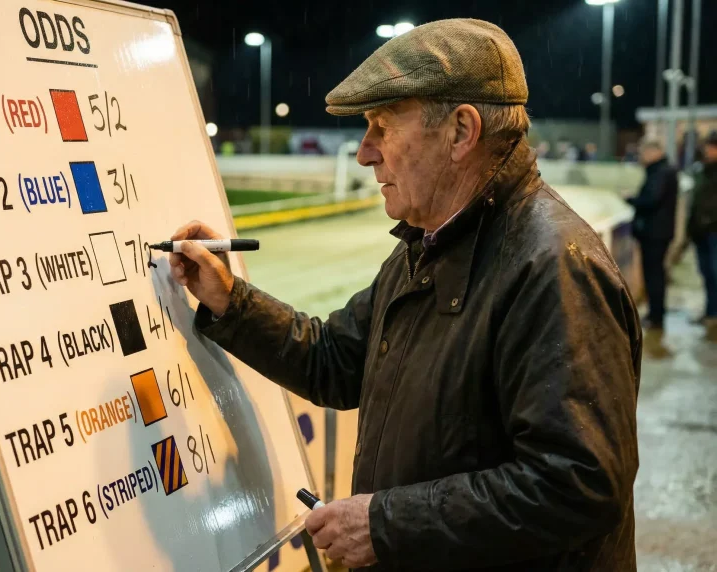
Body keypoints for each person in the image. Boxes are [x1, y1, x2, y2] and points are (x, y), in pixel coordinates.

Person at [169, 19, 640, 571]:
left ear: (461, 132)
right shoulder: (429, 245)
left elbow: (576, 484)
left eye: (381, 126)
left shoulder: (553, 267)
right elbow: (336, 360)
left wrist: (384, 524)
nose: (365, 153)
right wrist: (230, 299)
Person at [627, 139, 679, 342]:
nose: (641, 157)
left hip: (655, 233)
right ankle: (656, 314)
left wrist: (631, 200)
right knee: (655, 275)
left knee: (654, 276)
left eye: (643, 153)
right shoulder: (664, 170)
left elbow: (651, 200)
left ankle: (656, 317)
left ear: (653, 152)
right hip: (660, 232)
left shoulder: (661, 172)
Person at [688, 132, 717, 340]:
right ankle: (711, 313)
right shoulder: (702, 170)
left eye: (712, 147)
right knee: (707, 274)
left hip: (714, 231)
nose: (707, 150)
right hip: (701, 232)